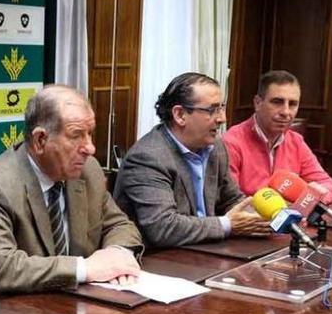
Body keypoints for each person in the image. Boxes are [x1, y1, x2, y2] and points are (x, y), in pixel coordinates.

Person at [0, 85, 143, 293]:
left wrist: (116, 254)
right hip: (8, 312)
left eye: (90, 134)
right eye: (76, 135)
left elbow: (119, 225)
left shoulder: (88, 171)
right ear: (40, 140)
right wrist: (85, 268)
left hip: (73, 305)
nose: (90, 148)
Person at [113, 72, 271, 248]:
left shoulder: (215, 146)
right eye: (212, 110)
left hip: (206, 249)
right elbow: (163, 228)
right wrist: (227, 224)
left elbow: (231, 199)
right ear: (180, 115)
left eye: (221, 108)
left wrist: (266, 218)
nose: (222, 119)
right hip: (160, 259)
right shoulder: (148, 157)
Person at [223, 70, 332, 203]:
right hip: (251, 221)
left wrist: (308, 200)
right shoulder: (231, 142)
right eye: (277, 102)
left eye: (293, 104)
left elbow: (328, 186)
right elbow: (231, 202)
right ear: (258, 103)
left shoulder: (296, 141)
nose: (286, 112)